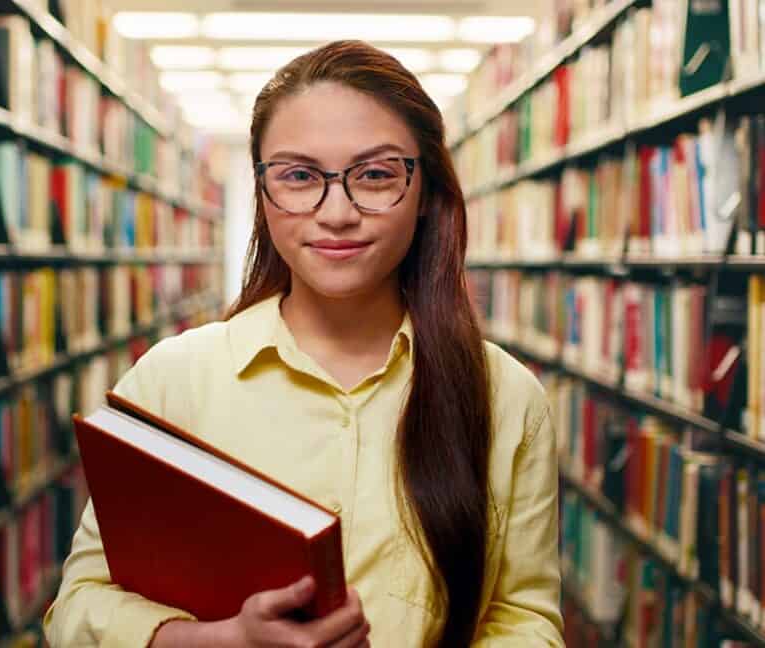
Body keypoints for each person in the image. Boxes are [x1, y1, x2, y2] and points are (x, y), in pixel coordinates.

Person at [43, 40, 564, 647]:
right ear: (263, 194)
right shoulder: (172, 380)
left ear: (426, 192)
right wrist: (228, 641)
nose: (336, 212)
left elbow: (524, 619)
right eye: (298, 176)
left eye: (374, 175)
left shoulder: (505, 396)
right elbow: (77, 611)